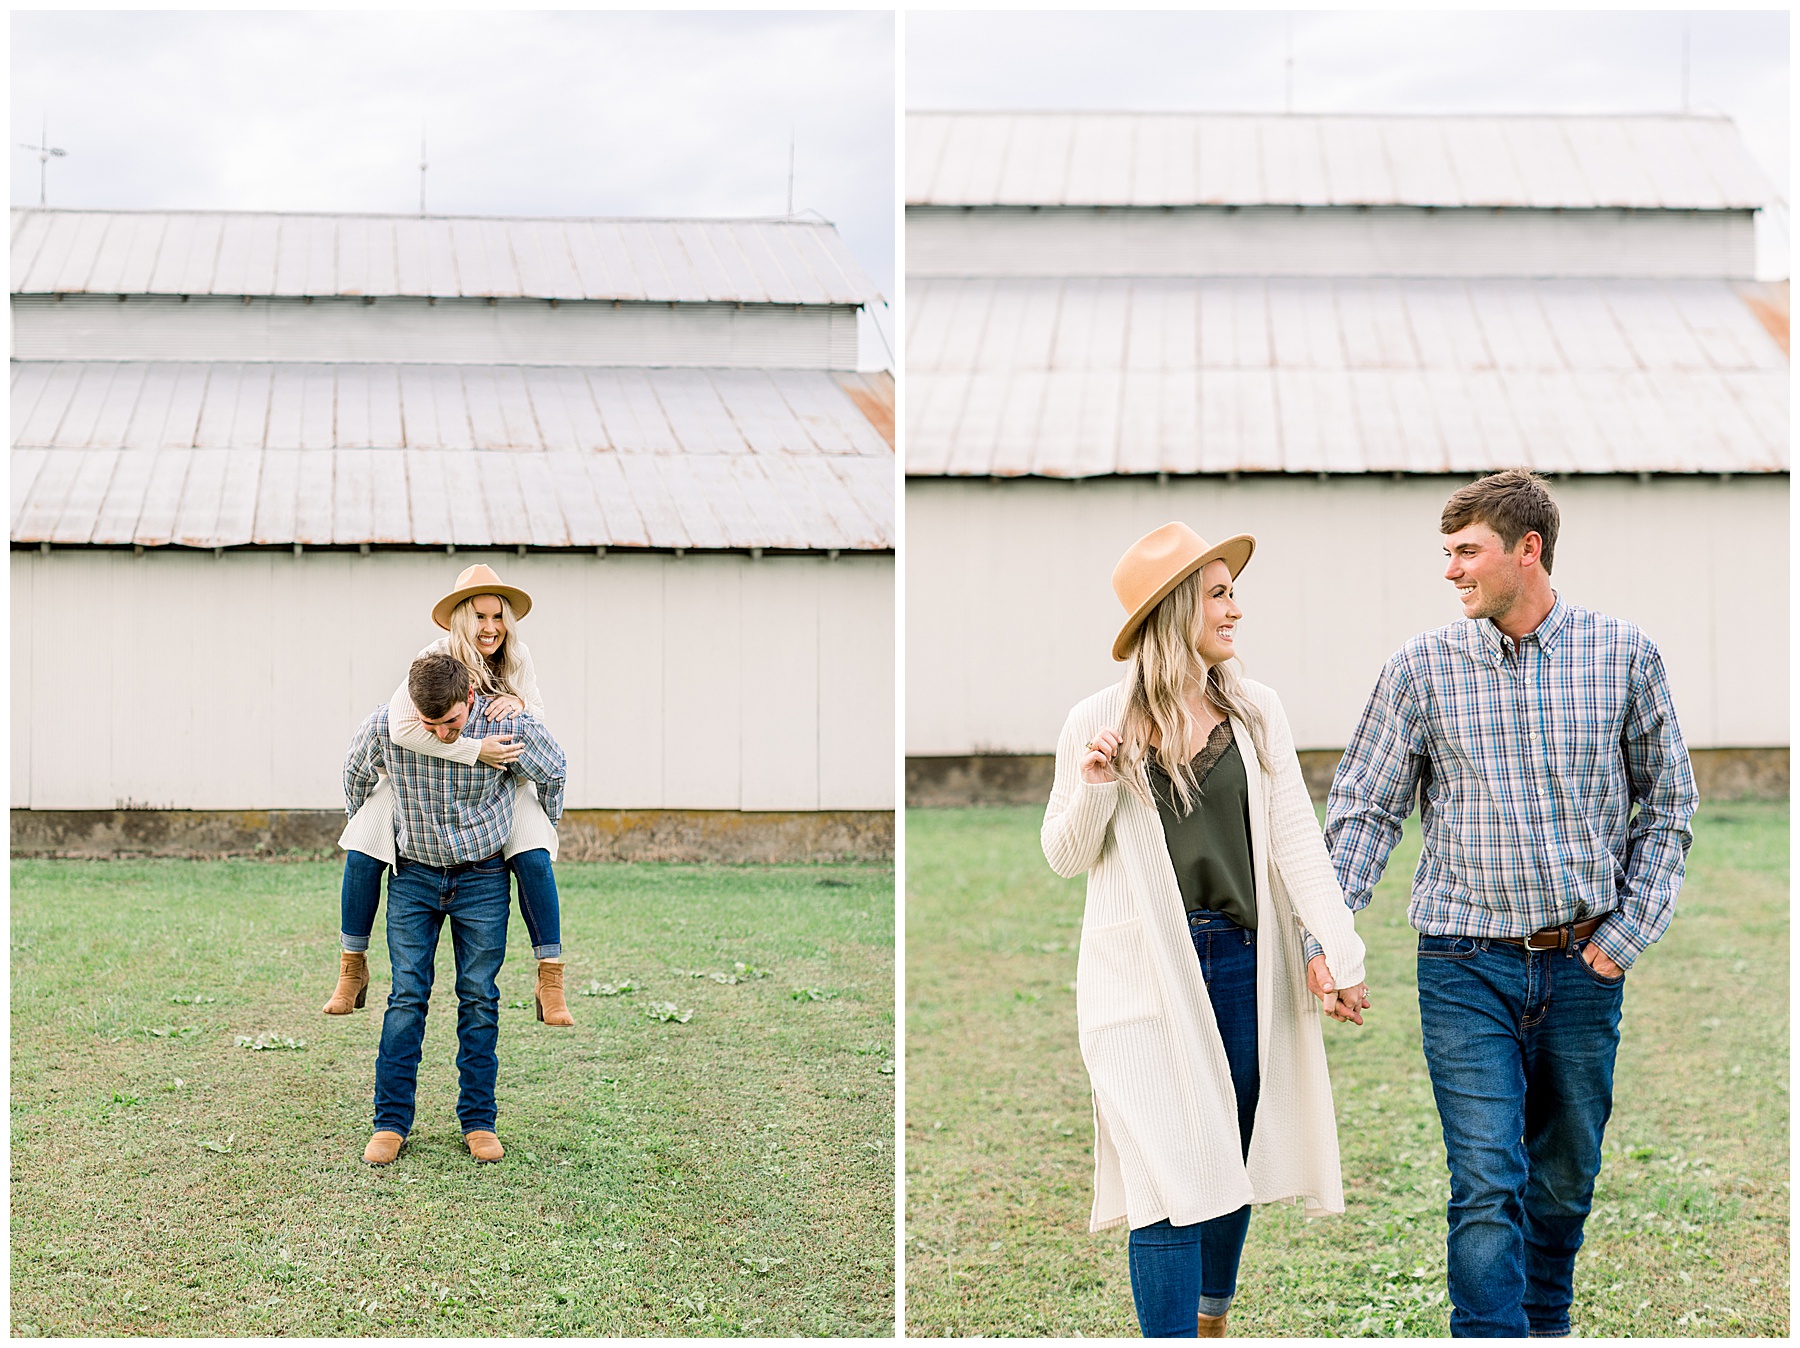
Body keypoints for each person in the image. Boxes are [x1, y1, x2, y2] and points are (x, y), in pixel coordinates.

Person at [1315, 469, 1697, 1337]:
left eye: (1466, 551)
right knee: (1487, 1178)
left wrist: (1624, 936)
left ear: (1528, 551)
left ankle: (1546, 1324)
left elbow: (1669, 804)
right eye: (1446, 553)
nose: (1451, 570)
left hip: (1584, 961)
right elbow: (1364, 813)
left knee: (1564, 1176)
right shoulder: (1420, 669)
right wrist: (1328, 936)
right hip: (1463, 964)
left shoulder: (1622, 653)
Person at [1043, 522, 1370, 1339]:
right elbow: (1064, 855)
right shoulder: (1095, 718)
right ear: (1174, 607)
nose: (1235, 609)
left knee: (1227, 1161)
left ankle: (1210, 1322)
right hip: (1138, 978)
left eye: (1231, 591)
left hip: (1239, 964)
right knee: (1163, 1177)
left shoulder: (1256, 713)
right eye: (1219, 593)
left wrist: (1337, 946)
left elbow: (1297, 835)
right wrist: (1092, 785)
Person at [323, 564, 575, 1028]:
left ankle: (550, 973)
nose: (490, 627)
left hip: (500, 778)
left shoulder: (517, 657)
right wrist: (474, 749)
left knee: (534, 855)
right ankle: (351, 964)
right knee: (361, 846)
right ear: (461, 618)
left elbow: (539, 721)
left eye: (497, 616)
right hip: (421, 770)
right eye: (480, 616)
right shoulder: (435, 655)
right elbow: (401, 727)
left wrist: (517, 704)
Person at [347, 651, 568, 1166]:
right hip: (414, 877)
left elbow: (554, 769)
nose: (444, 734)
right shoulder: (388, 724)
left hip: (483, 878)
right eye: (431, 725)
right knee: (406, 997)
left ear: (470, 698)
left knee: (478, 998)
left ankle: (478, 1121)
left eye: (451, 722)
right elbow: (354, 775)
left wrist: (538, 824)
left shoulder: (502, 721)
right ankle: (390, 1122)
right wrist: (375, 827)